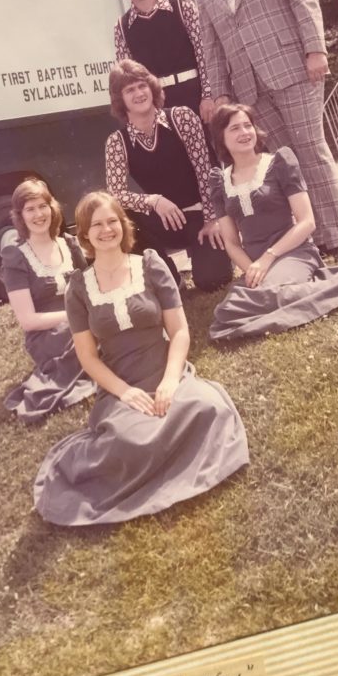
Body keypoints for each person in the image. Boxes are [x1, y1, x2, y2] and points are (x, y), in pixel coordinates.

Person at [33, 192, 248, 526]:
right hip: (120, 383)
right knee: (129, 440)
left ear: (123, 224)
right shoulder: (78, 287)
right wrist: (124, 392)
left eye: (112, 221)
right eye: (97, 225)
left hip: (163, 369)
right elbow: (88, 357)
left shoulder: (149, 265)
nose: (106, 230)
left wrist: (170, 381)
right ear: (85, 235)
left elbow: (179, 332)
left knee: (207, 408)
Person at [192, 0, 338, 261]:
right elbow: (211, 43)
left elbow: (305, 0)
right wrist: (219, 93)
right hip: (248, 90)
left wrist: (316, 50)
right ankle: (307, 241)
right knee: (282, 164)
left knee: (311, 151)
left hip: (294, 69)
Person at [207, 104, 338, 341]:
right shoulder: (219, 181)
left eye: (248, 125)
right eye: (235, 128)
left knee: (250, 300)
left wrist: (268, 258)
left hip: (293, 251)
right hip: (255, 263)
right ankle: (304, 288)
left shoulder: (278, 163)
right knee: (230, 308)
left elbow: (307, 222)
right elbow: (231, 242)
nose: (245, 132)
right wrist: (251, 268)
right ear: (221, 138)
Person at [105, 59, 232, 291]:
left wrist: (213, 218)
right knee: (120, 218)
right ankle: (170, 277)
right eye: (129, 90)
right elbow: (115, 195)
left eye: (142, 86)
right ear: (120, 100)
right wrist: (153, 200)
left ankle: (208, 256)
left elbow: (206, 171)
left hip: (199, 216)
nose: (139, 93)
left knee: (213, 281)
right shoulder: (116, 142)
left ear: (152, 87)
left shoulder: (182, 118)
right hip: (161, 220)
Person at [1, 179, 95, 422]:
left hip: (81, 321)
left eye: (42, 206)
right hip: (48, 334)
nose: (38, 214)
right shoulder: (16, 257)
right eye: (30, 209)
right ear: (20, 216)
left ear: (52, 208)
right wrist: (75, 315)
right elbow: (28, 321)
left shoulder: (69, 244)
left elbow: (90, 289)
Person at [108, 0, 214, 119]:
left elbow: (205, 51)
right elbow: (127, 79)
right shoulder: (122, 28)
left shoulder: (181, 4)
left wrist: (208, 96)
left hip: (197, 97)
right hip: (157, 108)